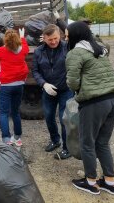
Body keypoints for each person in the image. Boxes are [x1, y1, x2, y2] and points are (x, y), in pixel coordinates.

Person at [65, 21, 114, 196]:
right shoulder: (99, 49)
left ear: (75, 36)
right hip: (112, 101)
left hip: (94, 103)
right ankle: (110, 182)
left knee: (87, 143)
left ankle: (91, 182)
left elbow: (72, 81)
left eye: (67, 35)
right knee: (102, 142)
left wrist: (76, 90)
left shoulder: (76, 53)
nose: (66, 38)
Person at [32, 24, 73, 159]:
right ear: (44, 38)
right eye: (50, 40)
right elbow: (35, 71)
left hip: (65, 89)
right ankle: (55, 140)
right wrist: (43, 84)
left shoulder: (67, 47)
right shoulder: (38, 51)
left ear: (59, 35)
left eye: (55, 38)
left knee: (64, 118)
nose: (54, 42)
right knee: (49, 117)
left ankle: (67, 148)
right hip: (48, 90)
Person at [0, 28, 29, 146]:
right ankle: (17, 137)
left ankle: (6, 139)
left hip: (6, 86)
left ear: (5, 40)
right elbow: (25, 46)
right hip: (19, 85)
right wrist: (22, 37)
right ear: (17, 39)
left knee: (4, 113)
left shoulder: (1, 50)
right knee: (16, 112)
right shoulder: (22, 50)